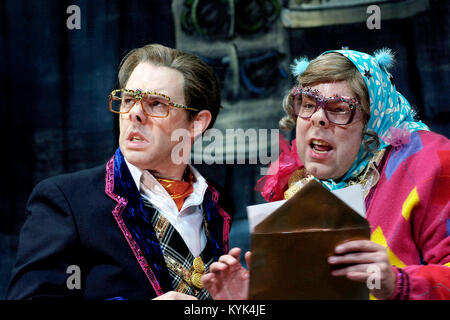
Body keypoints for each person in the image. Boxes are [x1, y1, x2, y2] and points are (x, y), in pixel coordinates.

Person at [201, 48, 450, 300]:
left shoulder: (428, 165)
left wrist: (397, 283)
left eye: (340, 108)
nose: (318, 118)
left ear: (373, 122)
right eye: (308, 104)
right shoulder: (297, 184)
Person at [7, 44, 233, 300]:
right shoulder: (67, 201)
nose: (134, 113)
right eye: (128, 100)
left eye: (156, 103)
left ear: (197, 123)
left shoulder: (217, 201)